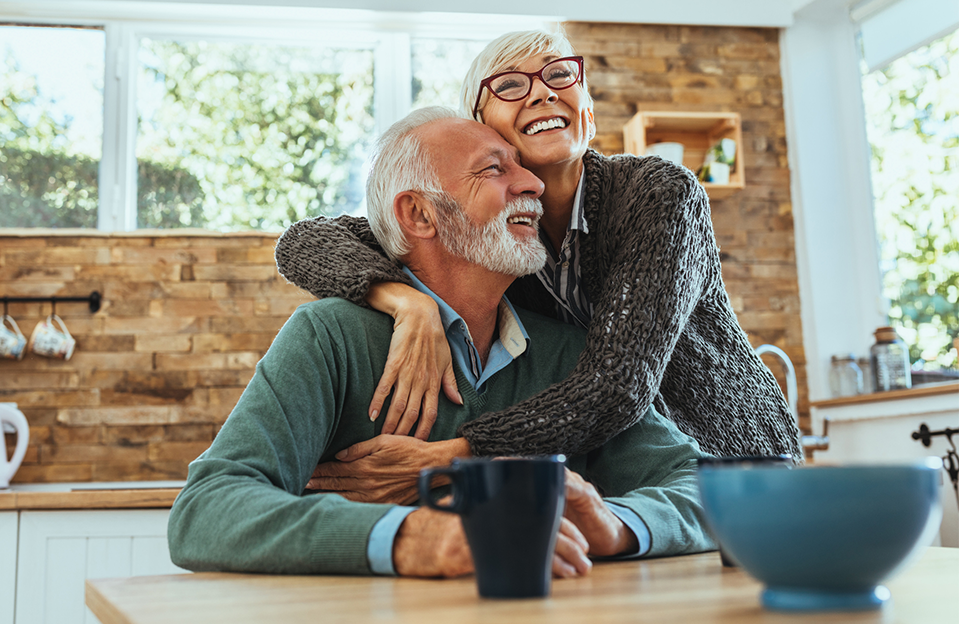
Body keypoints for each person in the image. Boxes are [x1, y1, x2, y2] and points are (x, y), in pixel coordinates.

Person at [167, 108, 715, 578]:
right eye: (495, 170)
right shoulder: (330, 337)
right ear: (419, 214)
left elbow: (701, 487)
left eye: (522, 167)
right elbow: (206, 510)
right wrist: (413, 537)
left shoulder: (569, 354)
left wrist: (615, 525)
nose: (533, 184)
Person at [274, 30, 801, 500]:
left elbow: (617, 385)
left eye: (558, 75)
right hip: (619, 479)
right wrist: (405, 301)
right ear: (482, 129)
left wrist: (452, 455)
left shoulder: (659, 195)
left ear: (587, 111)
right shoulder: (489, 234)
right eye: (509, 85)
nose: (543, 91)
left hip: (730, 459)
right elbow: (305, 241)